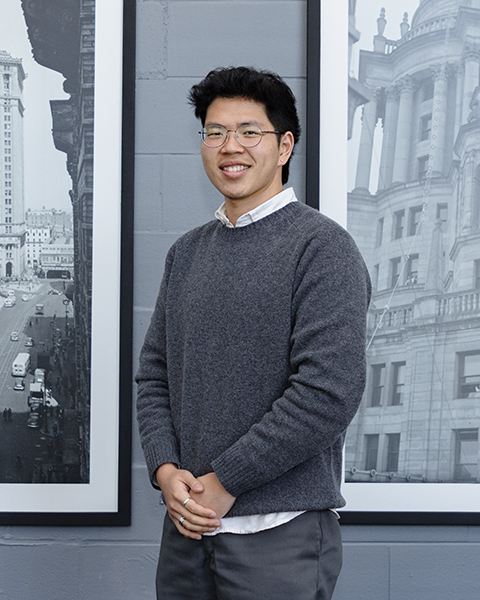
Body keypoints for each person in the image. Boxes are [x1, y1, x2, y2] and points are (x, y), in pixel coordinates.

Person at [136, 66, 371, 600]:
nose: (229, 147)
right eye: (215, 132)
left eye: (249, 131)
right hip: (187, 532)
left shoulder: (322, 248)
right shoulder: (187, 253)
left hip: (279, 536)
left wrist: (224, 483)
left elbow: (328, 392)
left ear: (284, 146)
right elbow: (153, 377)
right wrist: (166, 471)